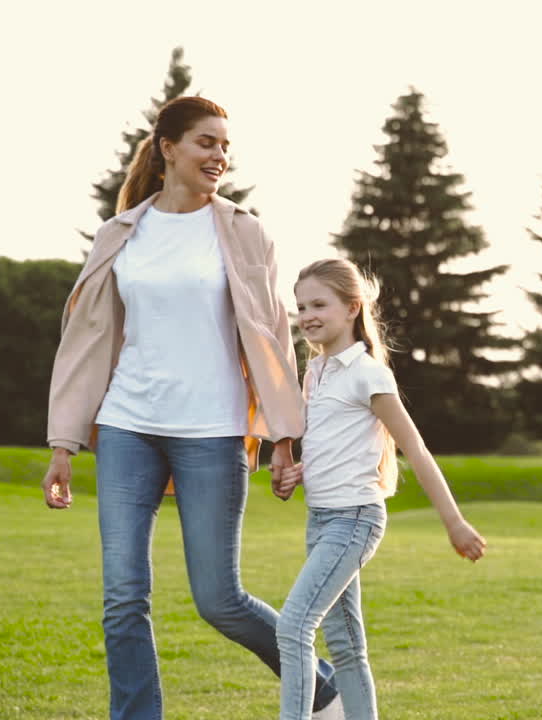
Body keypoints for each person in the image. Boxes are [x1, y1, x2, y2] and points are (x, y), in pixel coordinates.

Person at [40, 96, 339, 720]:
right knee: (123, 596)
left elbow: (270, 337)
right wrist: (64, 445)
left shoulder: (245, 231)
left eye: (225, 146)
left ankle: (323, 689)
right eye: (207, 143)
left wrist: (285, 438)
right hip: (127, 425)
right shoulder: (120, 233)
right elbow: (87, 340)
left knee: (219, 599)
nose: (220, 156)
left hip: (214, 431)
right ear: (167, 149)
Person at [274, 258, 487, 720]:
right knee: (347, 647)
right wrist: (301, 470)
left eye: (318, 304)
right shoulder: (317, 371)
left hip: (355, 520)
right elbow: (336, 444)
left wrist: (455, 523)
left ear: (352, 308)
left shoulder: (368, 373)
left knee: (292, 629)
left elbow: (415, 448)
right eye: (301, 306)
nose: (307, 315)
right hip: (322, 520)